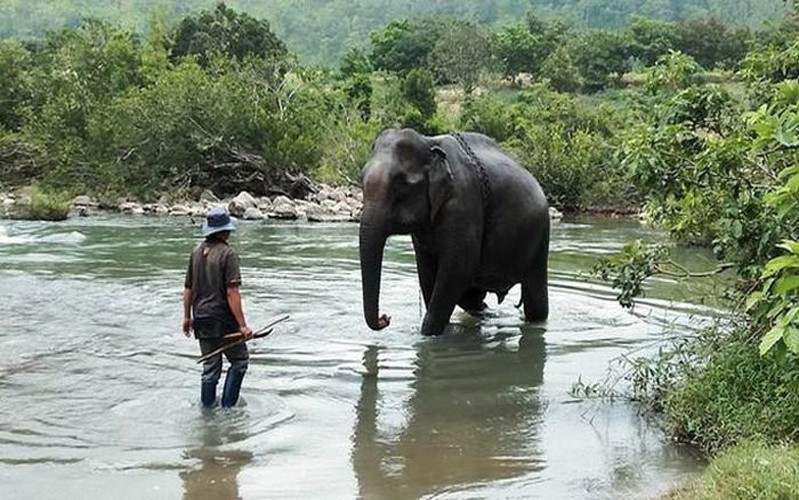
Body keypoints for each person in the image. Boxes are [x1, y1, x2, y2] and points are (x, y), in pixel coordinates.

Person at [183, 206, 253, 408]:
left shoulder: (196, 252)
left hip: (201, 318)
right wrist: (242, 325)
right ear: (226, 231)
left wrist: (187, 317)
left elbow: (188, 288)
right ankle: (229, 408)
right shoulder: (227, 254)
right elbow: (232, 292)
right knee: (240, 361)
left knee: (210, 367)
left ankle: (207, 411)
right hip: (223, 319)